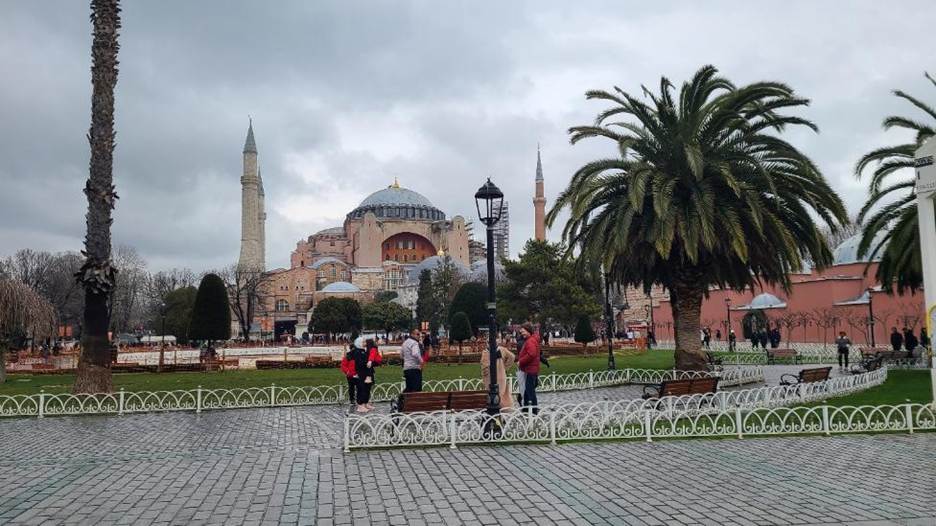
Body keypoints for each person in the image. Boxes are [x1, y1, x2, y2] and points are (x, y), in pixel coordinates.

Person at [481, 345, 516, 410]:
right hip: (501, 375)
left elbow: (484, 367)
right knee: (503, 393)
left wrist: (484, 375)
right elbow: (512, 356)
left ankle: (496, 408)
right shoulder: (502, 349)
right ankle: (504, 408)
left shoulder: (486, 353)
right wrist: (505, 367)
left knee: (492, 393)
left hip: (490, 377)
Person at [517, 323, 541, 414]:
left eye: (523, 331)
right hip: (531, 369)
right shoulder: (531, 340)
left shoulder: (530, 341)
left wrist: (521, 361)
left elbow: (531, 354)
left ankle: (533, 410)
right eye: (521, 332)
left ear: (528, 331)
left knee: (530, 390)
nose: (522, 333)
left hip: (530, 369)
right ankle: (526, 408)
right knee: (527, 390)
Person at [350, 337, 372, 413]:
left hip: (364, 372)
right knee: (361, 388)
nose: (365, 343)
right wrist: (367, 363)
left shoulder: (363, 351)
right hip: (361, 372)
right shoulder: (358, 352)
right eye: (363, 342)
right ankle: (360, 405)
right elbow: (359, 363)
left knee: (364, 388)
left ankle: (364, 403)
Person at [401, 328, 423, 392]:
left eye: (419, 335)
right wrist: (421, 360)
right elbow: (415, 353)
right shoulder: (414, 343)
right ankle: (403, 397)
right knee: (416, 388)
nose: (419, 336)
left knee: (409, 387)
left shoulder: (405, 343)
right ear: (412, 334)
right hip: (414, 368)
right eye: (417, 334)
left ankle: (402, 397)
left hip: (406, 368)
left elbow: (401, 355)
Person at [365, 338, 382, 411]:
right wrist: (370, 361)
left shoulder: (371, 349)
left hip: (369, 369)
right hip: (370, 369)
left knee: (367, 386)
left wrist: (370, 361)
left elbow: (371, 356)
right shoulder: (373, 349)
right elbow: (372, 356)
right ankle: (366, 401)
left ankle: (366, 401)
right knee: (368, 386)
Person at [515, 329, 527, 406]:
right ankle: (523, 398)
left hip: (521, 363)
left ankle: (521, 396)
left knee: (523, 383)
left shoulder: (519, 342)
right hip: (524, 363)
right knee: (526, 383)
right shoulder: (523, 343)